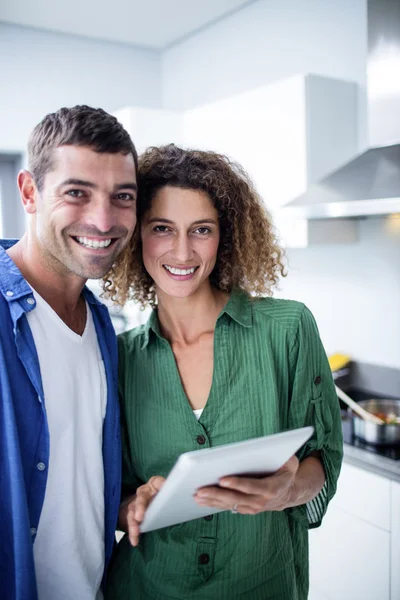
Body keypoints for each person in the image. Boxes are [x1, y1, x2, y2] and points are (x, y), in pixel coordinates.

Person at [104, 144, 343, 600]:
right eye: (161, 228)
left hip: (262, 583)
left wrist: (286, 490)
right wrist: (135, 507)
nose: (181, 250)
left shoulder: (287, 329)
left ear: (224, 236)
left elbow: (323, 459)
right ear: (137, 236)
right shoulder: (119, 357)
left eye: (201, 230)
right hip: (148, 586)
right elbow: (111, 498)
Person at [0, 105, 138, 600]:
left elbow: (75, 480)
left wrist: (129, 505)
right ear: (30, 192)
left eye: (122, 197)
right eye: (77, 192)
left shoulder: (101, 327)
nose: (103, 220)